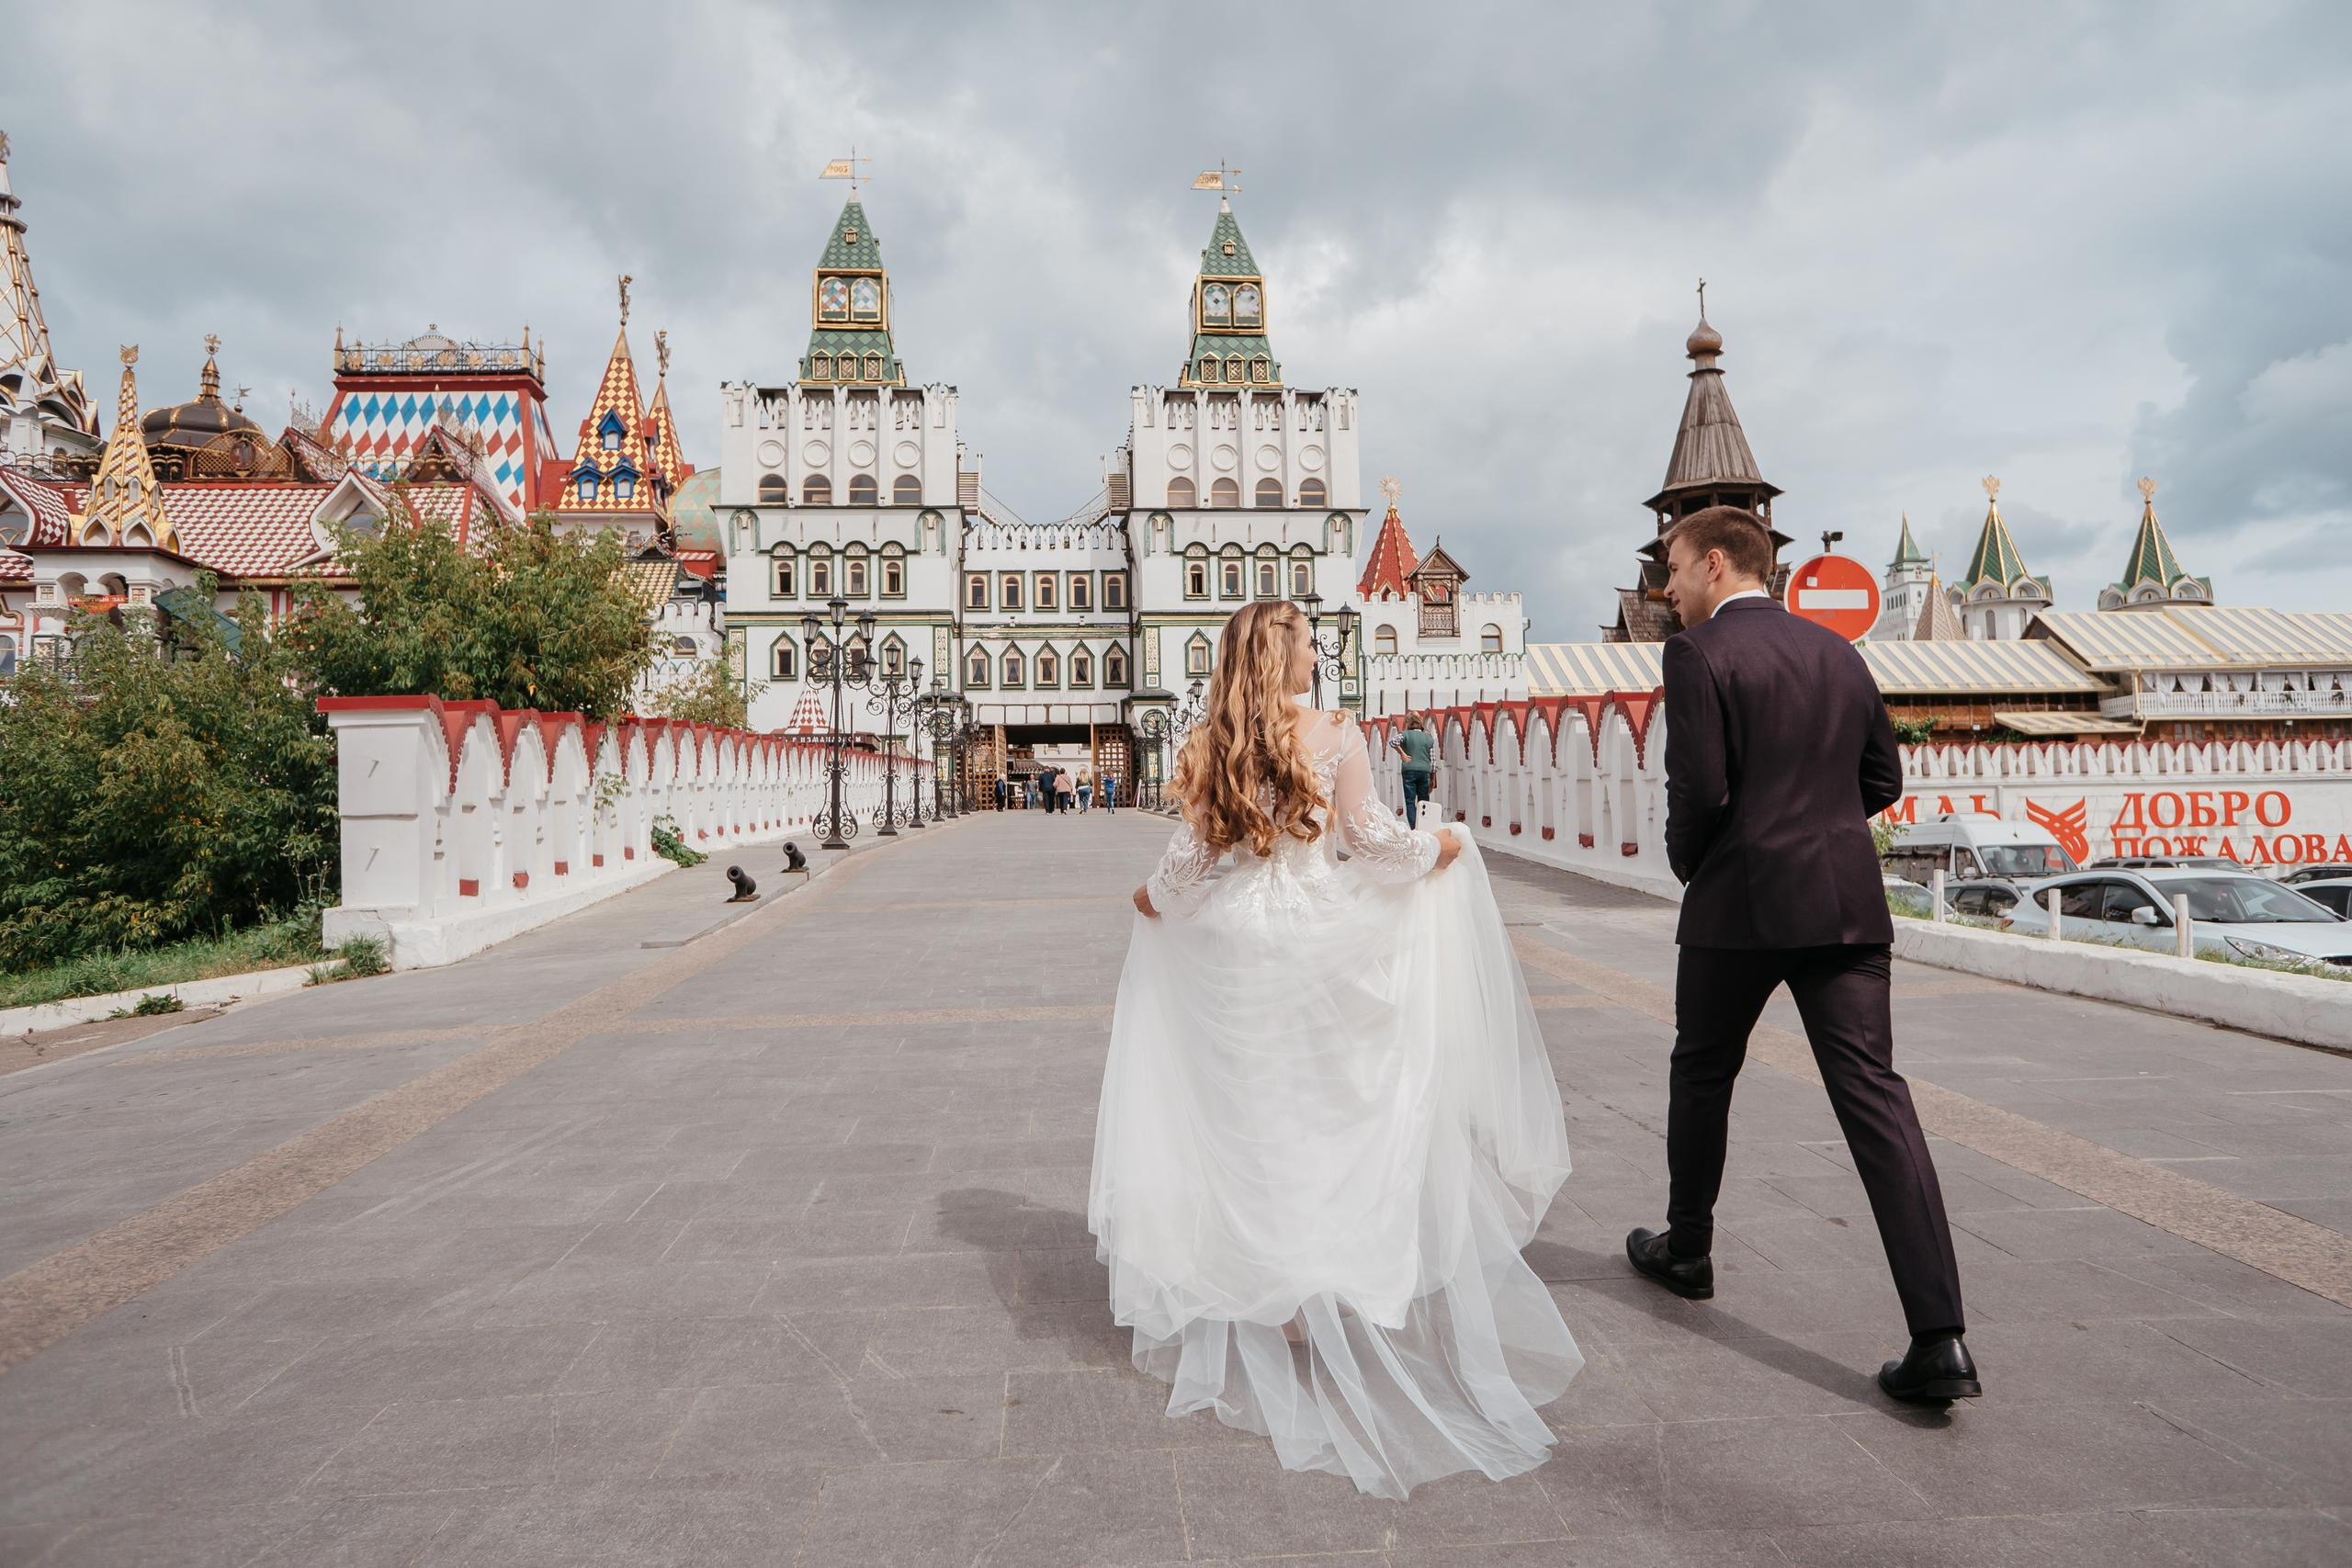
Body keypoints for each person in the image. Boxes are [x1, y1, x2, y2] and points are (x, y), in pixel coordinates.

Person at [1091, 600, 1582, 1500]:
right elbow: (1375, 847)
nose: (1320, 654)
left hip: (1235, 947)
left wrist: (1148, 903)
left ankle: (1270, 1294)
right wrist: (1446, 843)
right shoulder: (1336, 732)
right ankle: (1325, 1278)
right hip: (1316, 941)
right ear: (1283, 655)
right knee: (1328, 1108)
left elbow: (1189, 866)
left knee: (1250, 1117)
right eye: (1311, 643)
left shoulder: (1210, 741)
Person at [1628, 505, 1978, 1404]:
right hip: (1846, 900)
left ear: (1713, 564)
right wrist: (1815, 833)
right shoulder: (1838, 652)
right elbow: (1882, 781)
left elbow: (1695, 789)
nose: (1664, 587)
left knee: (1702, 1069)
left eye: (1671, 567)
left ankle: (1688, 1249)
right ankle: (1939, 1338)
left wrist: (1700, 864)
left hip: (1739, 899)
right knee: (1876, 1100)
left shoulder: (1698, 655)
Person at [1393, 714, 1435, 828]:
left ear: (1408, 723)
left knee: (1410, 801)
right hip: (1424, 771)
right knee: (1424, 801)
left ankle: (1414, 828)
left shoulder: (1405, 734)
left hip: (1409, 770)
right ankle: (1424, 827)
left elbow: (1393, 742)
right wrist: (1433, 778)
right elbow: (1432, 760)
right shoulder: (1428, 737)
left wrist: (1402, 754)